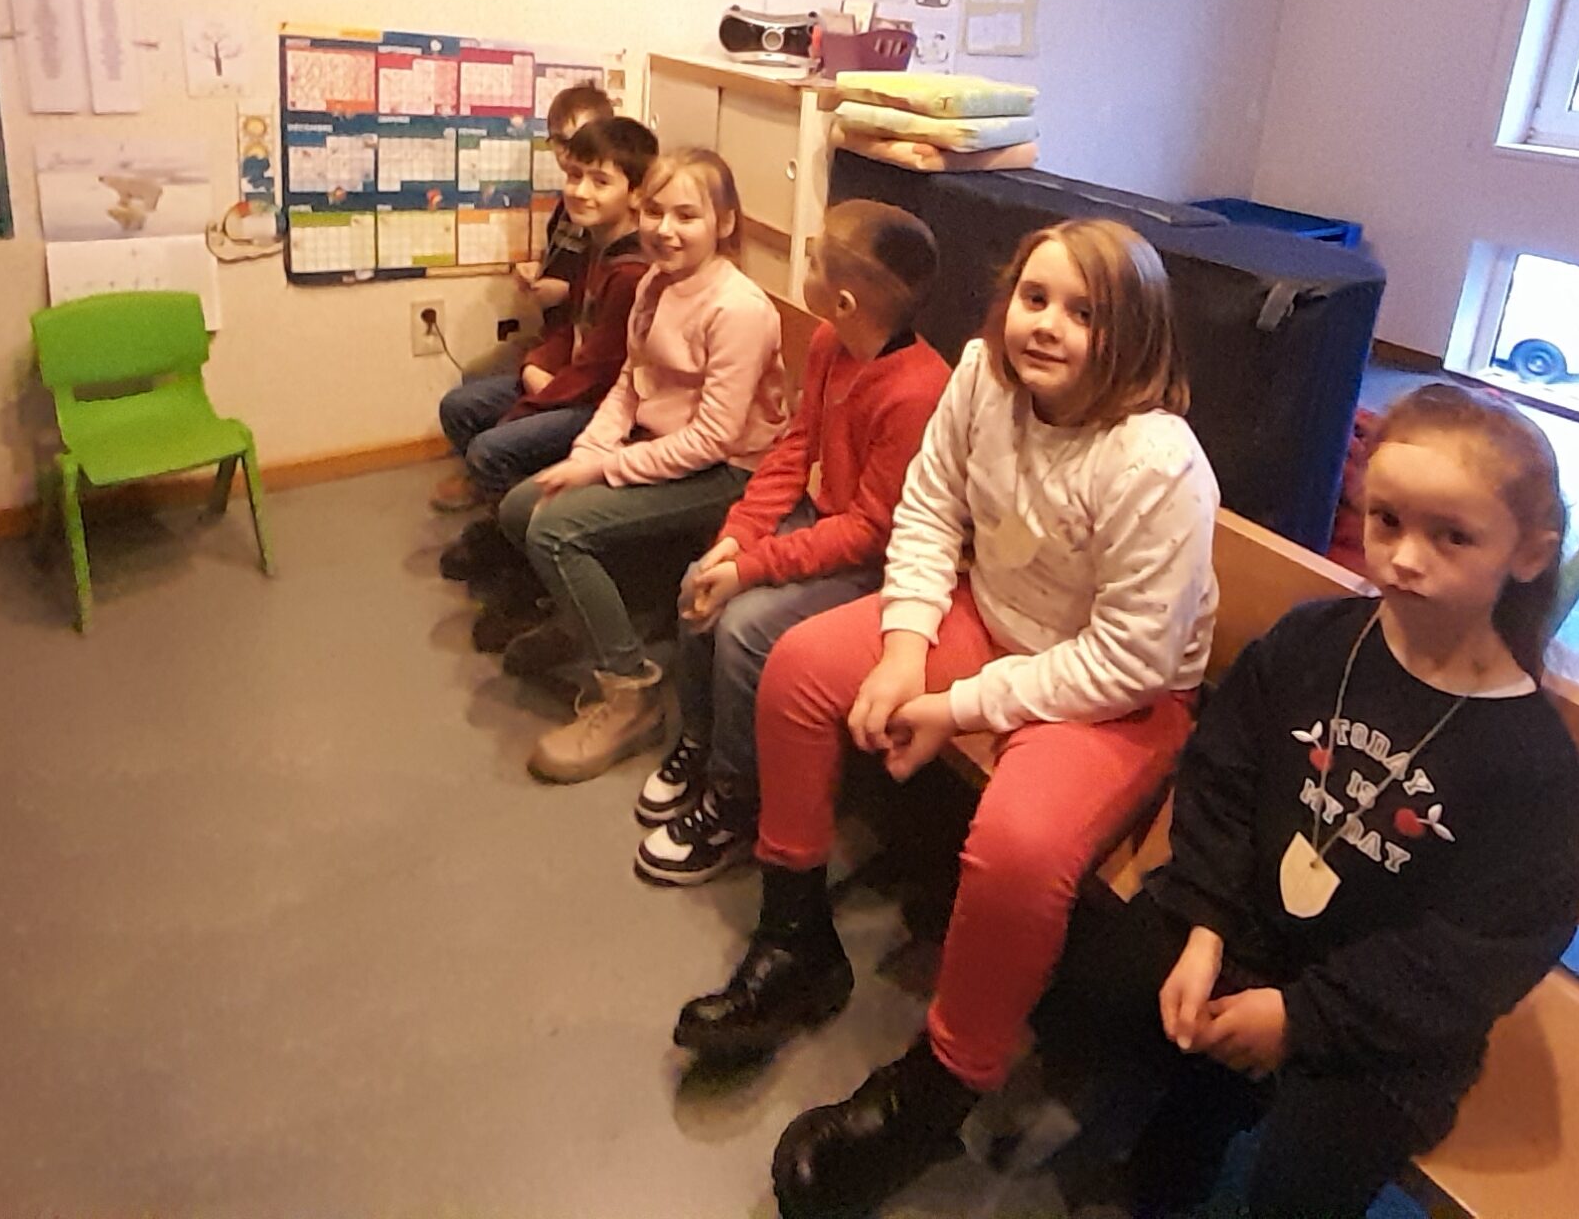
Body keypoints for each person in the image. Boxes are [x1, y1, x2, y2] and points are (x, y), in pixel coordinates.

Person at [674, 219, 1220, 1219]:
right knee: (798, 670)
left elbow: (1131, 660)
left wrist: (955, 704)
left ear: (1135, 334)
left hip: (1117, 693)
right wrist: (900, 652)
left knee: (1017, 845)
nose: (1046, 324)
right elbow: (929, 514)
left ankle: (935, 1093)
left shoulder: (1158, 463)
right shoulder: (980, 377)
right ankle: (797, 944)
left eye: (1085, 312)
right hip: (995, 619)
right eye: (1034, 297)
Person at [1092, 383, 1579, 1219]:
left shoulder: (1529, 759)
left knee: (1304, 1177)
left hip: (1386, 1015)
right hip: (1251, 926)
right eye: (1387, 521)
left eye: (1452, 535)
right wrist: (1207, 923)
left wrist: (1303, 1016)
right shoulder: (1314, 641)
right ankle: (1181, 1138)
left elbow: (1486, 946)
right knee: (1108, 985)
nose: (1405, 558)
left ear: (1528, 555)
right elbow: (1223, 772)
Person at [634, 200, 949, 888]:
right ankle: (701, 742)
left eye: (811, 257)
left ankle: (736, 798)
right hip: (824, 522)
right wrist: (737, 539)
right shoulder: (834, 342)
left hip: (878, 563)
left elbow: (872, 530)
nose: (801, 261)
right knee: (699, 579)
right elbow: (795, 446)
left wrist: (755, 569)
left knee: (746, 628)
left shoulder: (919, 393)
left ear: (842, 298)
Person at [493, 149, 786, 784]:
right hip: (665, 449)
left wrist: (603, 472)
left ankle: (631, 692)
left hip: (730, 471)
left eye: (687, 215)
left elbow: (714, 439)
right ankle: (589, 623)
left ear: (724, 223)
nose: (666, 229)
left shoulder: (737, 308)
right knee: (521, 507)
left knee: (554, 530)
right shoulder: (654, 284)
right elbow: (631, 382)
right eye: (654, 212)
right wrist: (587, 454)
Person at [436, 114, 655, 591]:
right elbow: (570, 328)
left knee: (491, 448)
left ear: (637, 194)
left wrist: (528, 403)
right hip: (569, 384)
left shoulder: (631, 273)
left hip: (600, 406)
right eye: (574, 176)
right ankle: (503, 526)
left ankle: (522, 566)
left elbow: (599, 376)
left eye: (600, 181)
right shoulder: (596, 246)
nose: (580, 191)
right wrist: (535, 366)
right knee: (460, 406)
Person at [431, 80, 615, 512]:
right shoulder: (569, 208)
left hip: (578, 367)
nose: (569, 155)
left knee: (485, 409)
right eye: (560, 142)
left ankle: (506, 481)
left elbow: (598, 343)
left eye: (580, 142)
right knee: (471, 384)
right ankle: (492, 476)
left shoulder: (620, 249)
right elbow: (567, 286)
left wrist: (543, 375)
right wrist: (539, 274)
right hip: (559, 342)